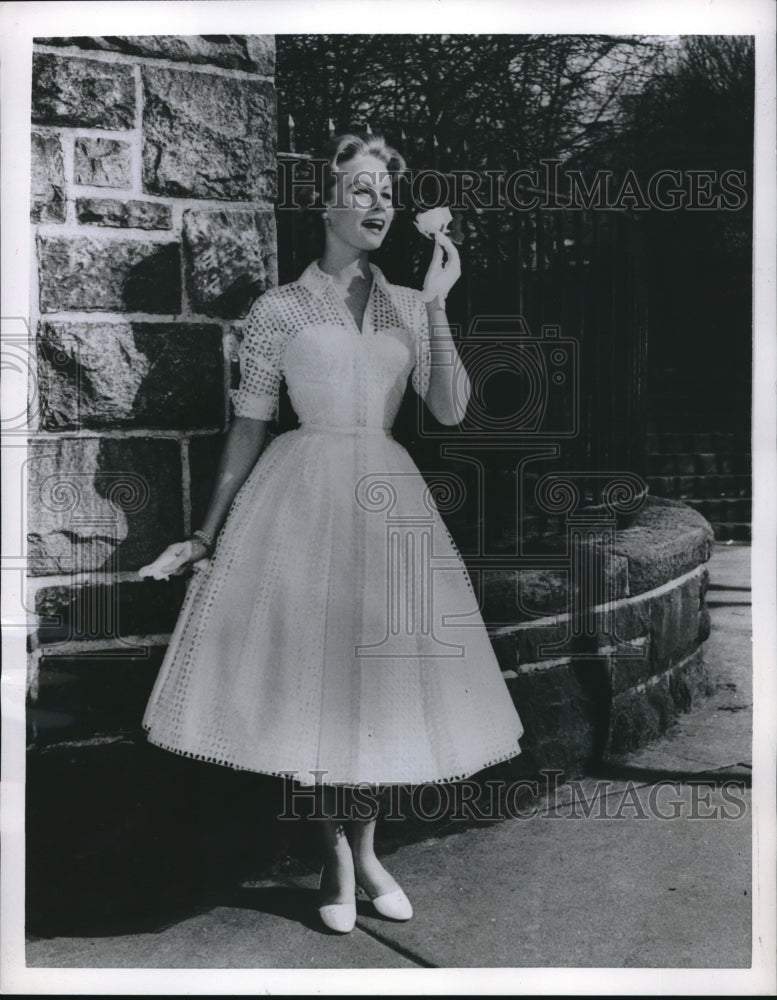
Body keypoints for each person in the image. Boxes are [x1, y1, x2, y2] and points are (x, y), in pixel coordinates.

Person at [140, 132, 524, 934]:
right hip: (298, 503)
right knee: (310, 682)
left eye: (386, 191)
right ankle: (336, 854)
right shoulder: (279, 308)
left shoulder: (410, 306)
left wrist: (441, 303)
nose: (378, 203)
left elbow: (450, 410)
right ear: (324, 204)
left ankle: (369, 846)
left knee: (376, 681)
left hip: (386, 501)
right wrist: (206, 534)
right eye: (360, 189)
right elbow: (247, 427)